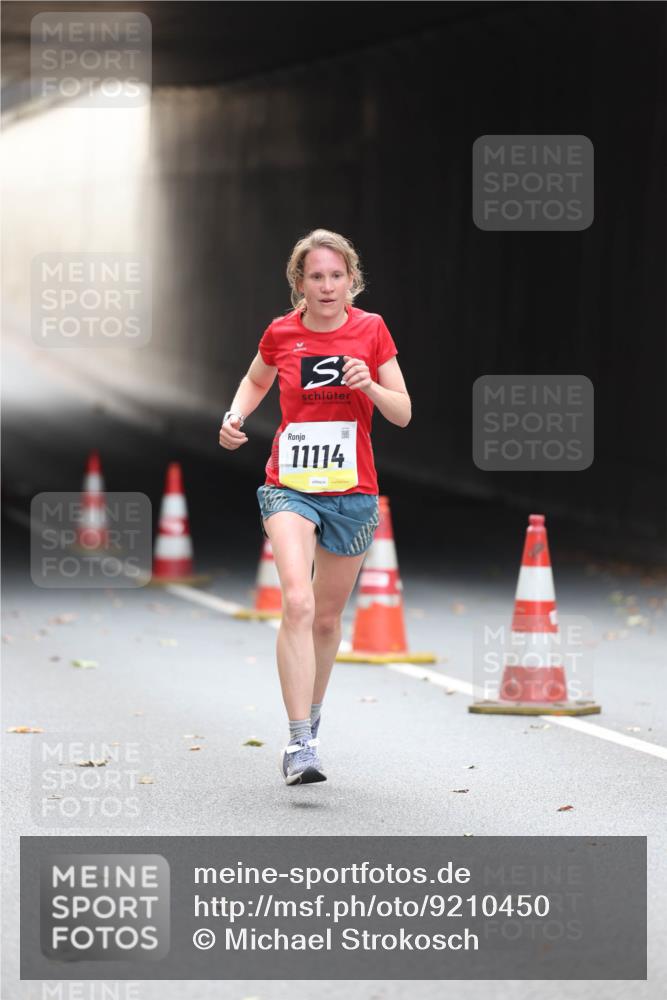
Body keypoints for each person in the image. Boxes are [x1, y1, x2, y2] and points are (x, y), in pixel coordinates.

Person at [218, 229, 411, 786]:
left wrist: (369, 385)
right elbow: (255, 380)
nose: (326, 286)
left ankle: (314, 719)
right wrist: (234, 418)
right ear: (298, 282)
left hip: (352, 492)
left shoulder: (371, 330)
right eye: (315, 276)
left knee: (326, 618)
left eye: (336, 275)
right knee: (297, 602)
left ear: (352, 279)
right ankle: (299, 741)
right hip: (290, 486)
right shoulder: (281, 332)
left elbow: (402, 413)